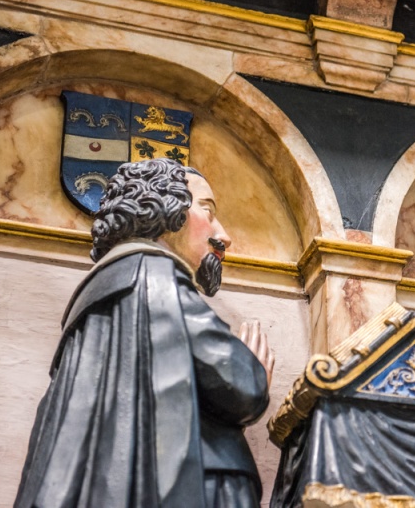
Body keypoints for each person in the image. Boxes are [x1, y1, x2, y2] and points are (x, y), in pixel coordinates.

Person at [15, 158, 275, 507]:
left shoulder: (96, 295)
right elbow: (241, 386)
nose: (223, 235)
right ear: (166, 210)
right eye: (208, 212)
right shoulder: (154, 277)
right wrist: (252, 369)